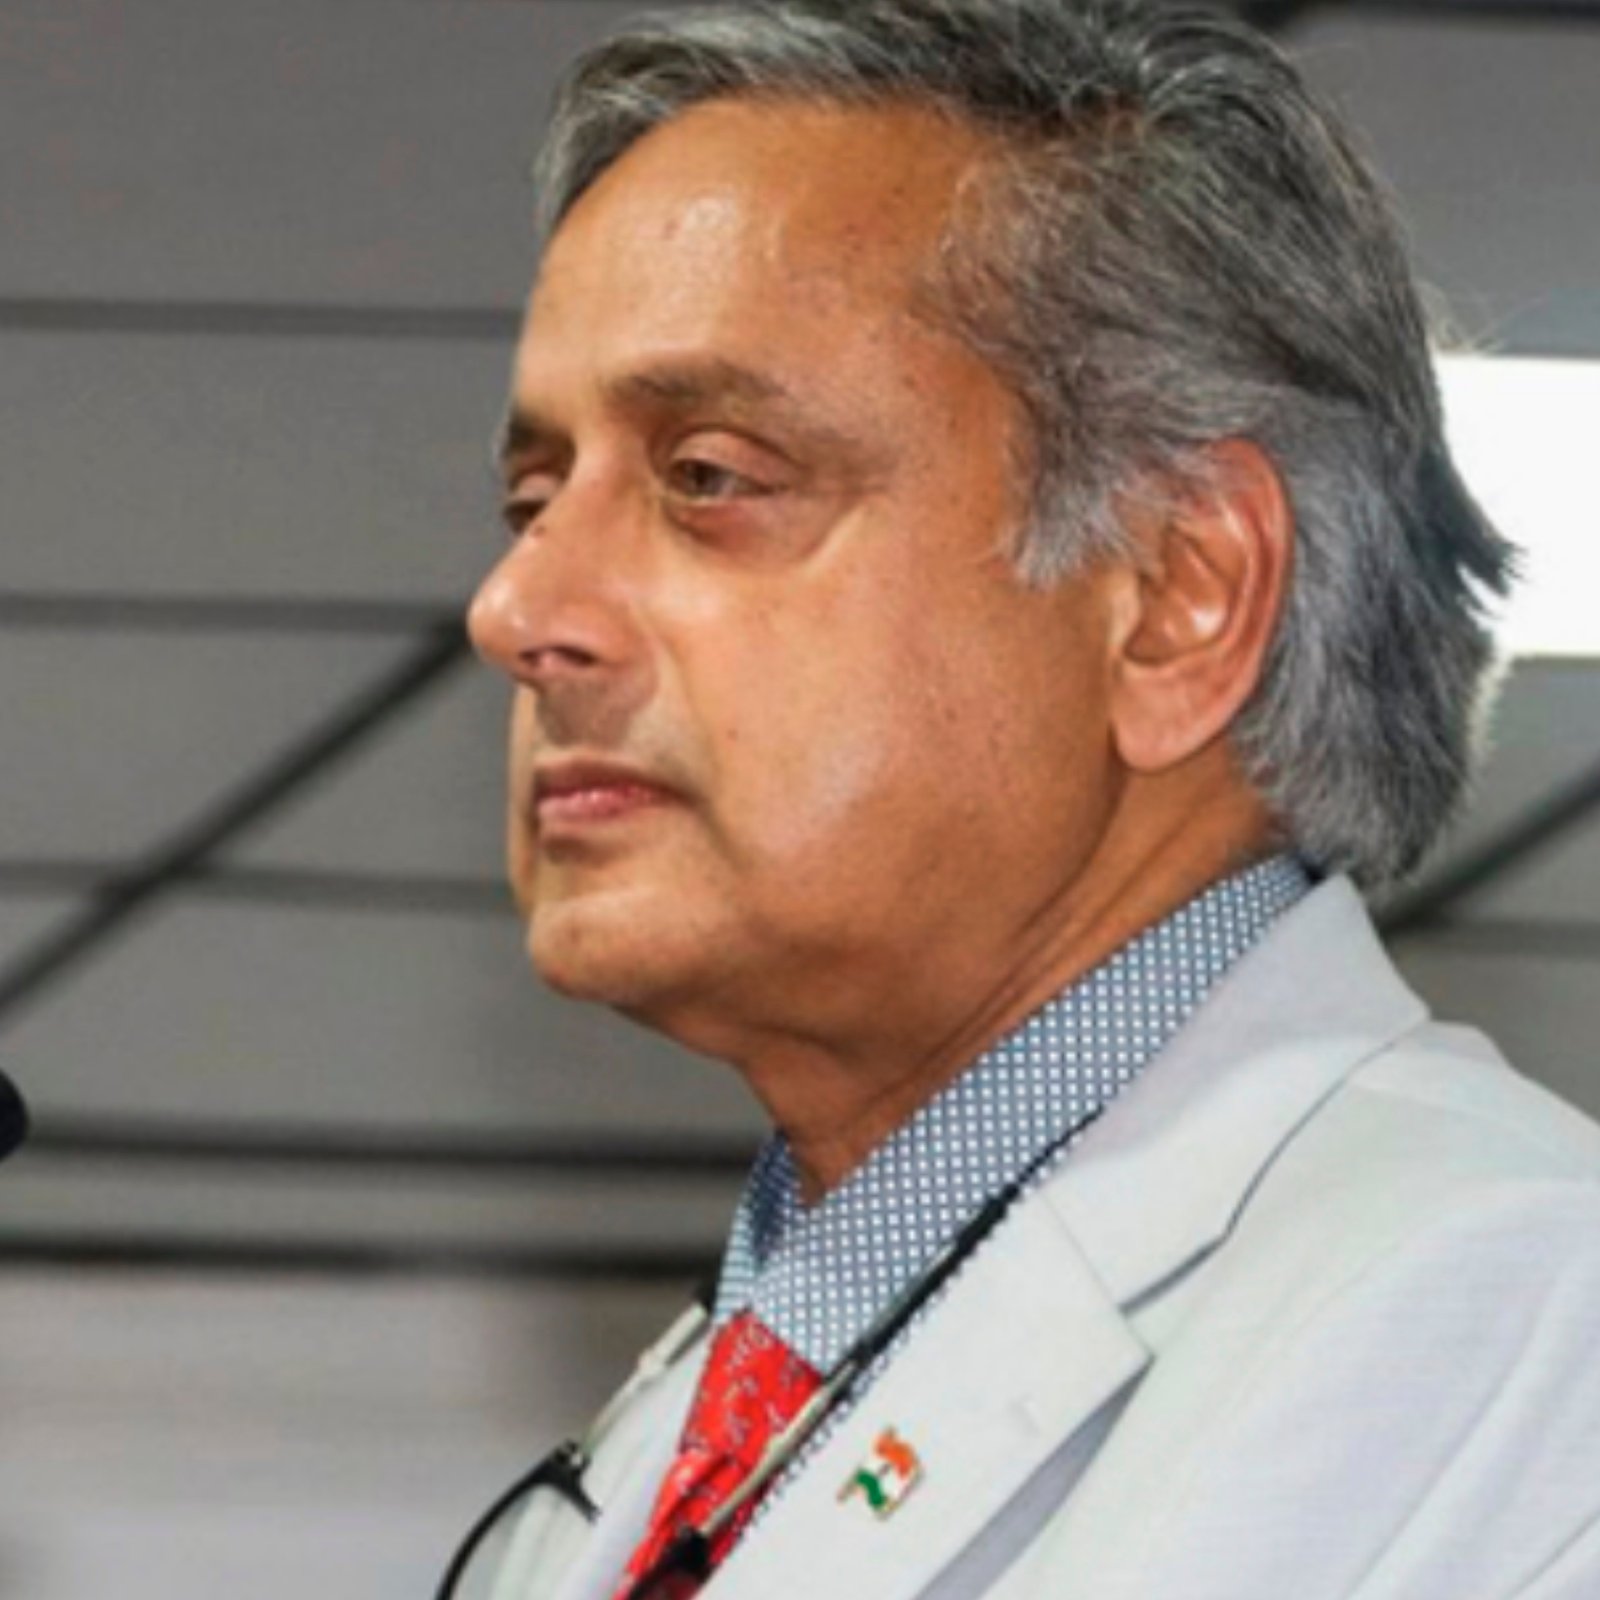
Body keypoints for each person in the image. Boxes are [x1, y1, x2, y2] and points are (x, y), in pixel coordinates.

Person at [461, 2, 1600, 1597]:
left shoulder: (1523, 1329)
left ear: (1176, 595)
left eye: (708, 477)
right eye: (534, 498)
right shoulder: (668, 1456)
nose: (517, 608)